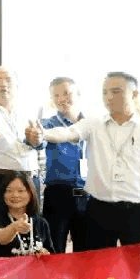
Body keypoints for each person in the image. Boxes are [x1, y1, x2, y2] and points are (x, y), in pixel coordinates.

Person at [42, 72, 140, 248]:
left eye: (116, 91)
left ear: (134, 94)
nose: (109, 97)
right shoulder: (94, 123)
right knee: (96, 262)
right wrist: (43, 133)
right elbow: (67, 133)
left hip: (138, 210)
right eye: (105, 92)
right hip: (99, 210)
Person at [0, 67, 44, 217]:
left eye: (8, 80)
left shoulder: (28, 111)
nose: (3, 84)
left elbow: (38, 143)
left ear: (17, 85)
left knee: (31, 226)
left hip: (29, 180)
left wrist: (36, 140)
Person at [39, 77, 87, 253]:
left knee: (87, 253)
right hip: (58, 195)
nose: (61, 99)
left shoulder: (92, 125)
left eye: (66, 93)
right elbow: (36, 141)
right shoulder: (47, 125)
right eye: (56, 95)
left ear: (78, 94)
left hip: (88, 196)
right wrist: (35, 136)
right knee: (54, 252)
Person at [0, 172, 54, 259]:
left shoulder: (41, 222)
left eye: (21, 191)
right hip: (4, 268)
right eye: (9, 191)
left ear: (30, 193)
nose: (15, 195)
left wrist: (44, 253)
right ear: (3, 194)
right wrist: (14, 228)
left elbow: (51, 256)